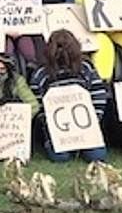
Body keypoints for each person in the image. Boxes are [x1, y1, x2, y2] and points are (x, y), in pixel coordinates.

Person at [31, 30, 108, 163]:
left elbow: (98, 93)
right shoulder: (41, 73)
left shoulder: (86, 68)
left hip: (87, 128)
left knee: (97, 156)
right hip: (57, 131)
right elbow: (37, 101)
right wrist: (48, 124)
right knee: (60, 158)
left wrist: (94, 118)